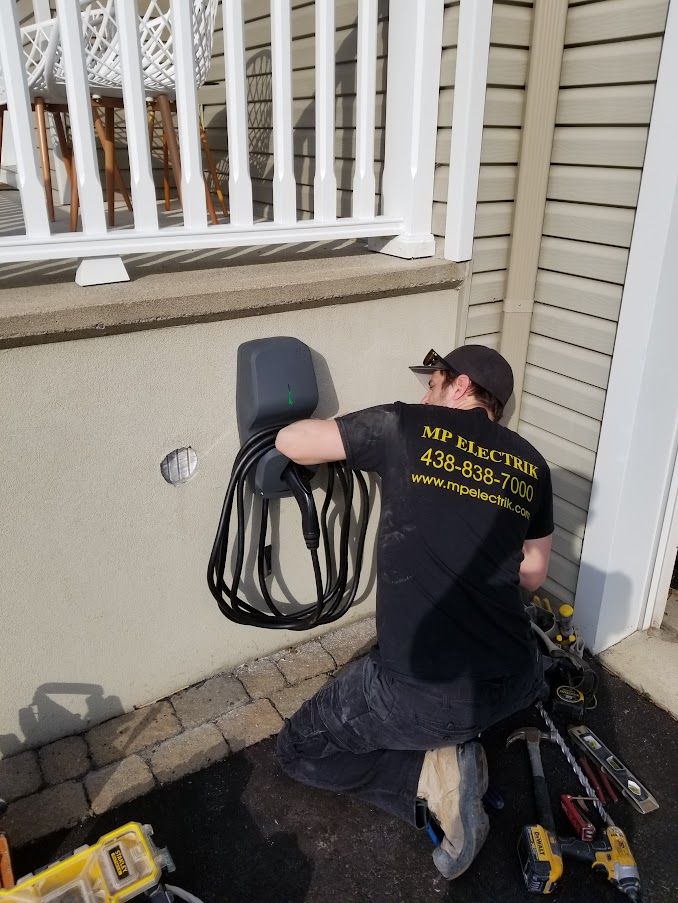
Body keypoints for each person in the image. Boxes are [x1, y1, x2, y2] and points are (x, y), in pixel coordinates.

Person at [274, 344, 553, 880]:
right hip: (518, 676)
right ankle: (452, 744)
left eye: (433, 384)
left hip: (429, 695)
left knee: (299, 749)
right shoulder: (531, 463)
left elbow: (293, 442)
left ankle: (429, 778)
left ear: (461, 385)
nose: (425, 395)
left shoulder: (407, 426)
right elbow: (535, 573)